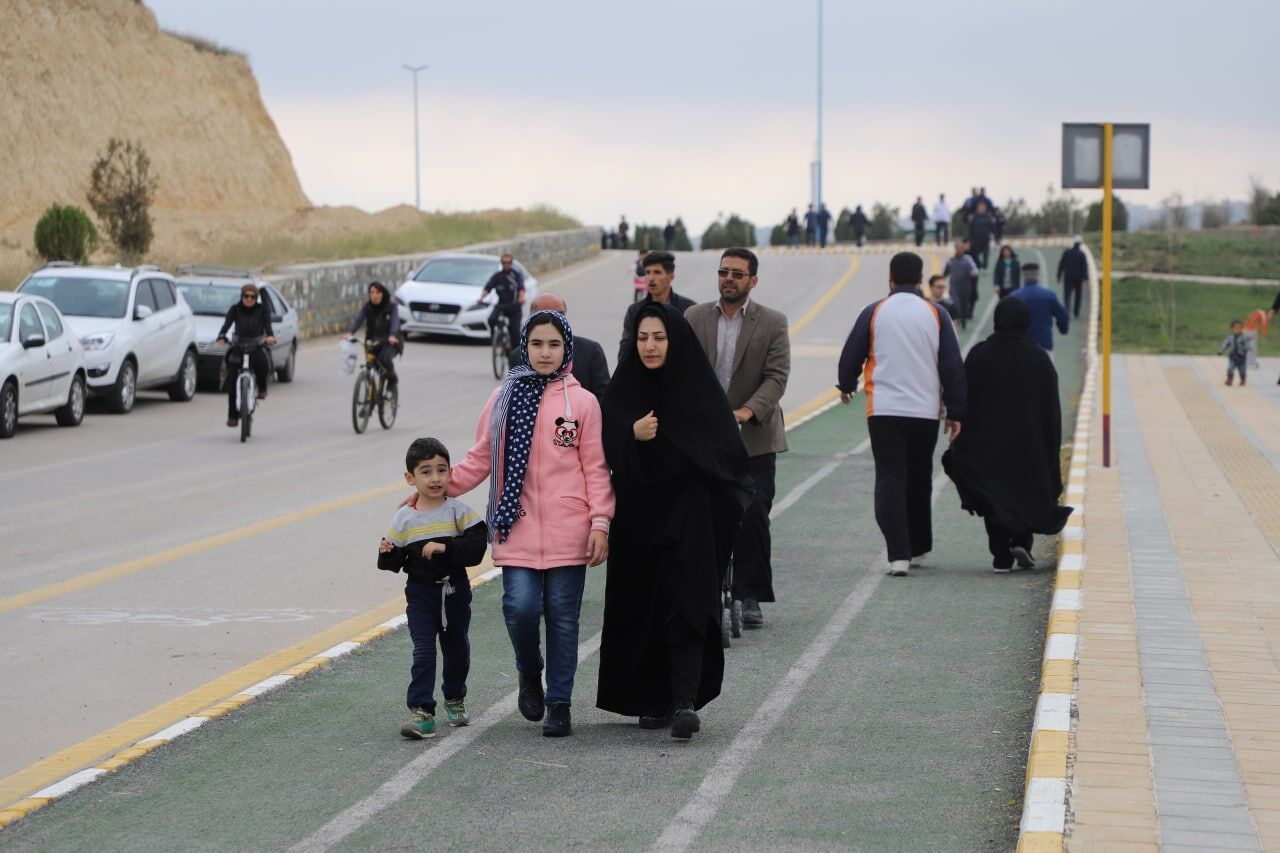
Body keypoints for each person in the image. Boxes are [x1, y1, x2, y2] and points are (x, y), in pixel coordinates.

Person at [447, 310, 614, 737]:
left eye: (554, 344)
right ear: (525, 346)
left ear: (567, 349)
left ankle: (559, 703)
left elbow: (596, 468)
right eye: (537, 343)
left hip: (569, 529)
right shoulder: (502, 397)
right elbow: (481, 457)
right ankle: (529, 670)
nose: (545, 352)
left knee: (562, 618)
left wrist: (600, 522)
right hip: (515, 523)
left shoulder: (584, 403)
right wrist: (439, 488)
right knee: (520, 608)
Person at [597, 302, 751, 740]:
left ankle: (684, 699)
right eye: (643, 337)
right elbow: (603, 445)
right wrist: (631, 434)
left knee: (687, 602)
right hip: (638, 520)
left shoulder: (697, 390)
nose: (649, 346)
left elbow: (725, 457)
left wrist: (670, 445)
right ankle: (653, 697)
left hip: (691, 518)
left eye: (659, 337)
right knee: (644, 606)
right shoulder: (625, 390)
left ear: (674, 341)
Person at [837, 252, 965, 577]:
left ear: (890, 279)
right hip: (925, 412)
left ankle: (898, 555)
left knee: (891, 478)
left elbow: (851, 353)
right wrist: (956, 411)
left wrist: (846, 383)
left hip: (883, 410)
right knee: (920, 477)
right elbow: (952, 365)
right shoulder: (936, 313)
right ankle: (919, 546)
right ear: (921, 280)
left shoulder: (874, 311)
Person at [686, 248, 791, 629]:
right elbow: (683, 372)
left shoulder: (773, 322)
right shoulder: (694, 318)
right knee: (702, 516)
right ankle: (705, 589)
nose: (729, 278)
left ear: (752, 281)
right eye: (723, 272)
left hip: (755, 439)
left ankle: (750, 595)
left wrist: (746, 412)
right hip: (704, 439)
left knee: (753, 513)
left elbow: (777, 377)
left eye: (737, 273)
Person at [942, 298, 1072, 572]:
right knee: (1025, 491)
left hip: (987, 444)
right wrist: (1049, 444)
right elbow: (1051, 409)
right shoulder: (1038, 359)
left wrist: (961, 434)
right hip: (1028, 445)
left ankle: (1001, 553)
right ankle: (1022, 541)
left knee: (993, 495)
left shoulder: (979, 355)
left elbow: (965, 399)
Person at [379, 437, 488, 738]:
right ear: (410, 478)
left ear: (451, 473)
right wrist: (388, 552)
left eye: (441, 470)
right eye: (426, 472)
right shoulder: (404, 517)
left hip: (454, 592)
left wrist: (445, 548)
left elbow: (477, 546)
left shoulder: (458, 511)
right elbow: (392, 561)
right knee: (423, 651)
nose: (435, 478)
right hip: (420, 594)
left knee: (456, 649)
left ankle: (455, 696)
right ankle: (422, 712)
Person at [618, 250, 696, 362]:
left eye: (657, 272)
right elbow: (624, 354)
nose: (651, 278)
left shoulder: (689, 309)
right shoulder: (634, 311)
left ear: (671, 277)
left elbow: (694, 353)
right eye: (647, 272)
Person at [531, 292, 610, 402]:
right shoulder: (518, 356)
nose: (554, 321)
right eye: (546, 316)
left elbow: (605, 400)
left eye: (560, 314)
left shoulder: (591, 351)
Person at [216, 282, 275, 428]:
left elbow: (268, 327)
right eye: (246, 296)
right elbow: (226, 325)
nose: (249, 299)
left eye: (253, 297)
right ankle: (232, 416)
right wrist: (222, 336)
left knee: (263, 363)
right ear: (242, 296)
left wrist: (270, 337)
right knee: (232, 380)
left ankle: (262, 388)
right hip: (239, 346)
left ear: (256, 298)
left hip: (256, 345)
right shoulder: (235, 310)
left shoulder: (262, 310)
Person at [343, 280, 401, 384]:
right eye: (372, 292)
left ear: (382, 294)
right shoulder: (367, 307)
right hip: (372, 341)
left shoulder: (391, 306)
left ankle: (392, 380)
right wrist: (350, 333)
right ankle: (370, 392)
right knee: (370, 365)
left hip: (389, 342)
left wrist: (392, 335)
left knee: (384, 358)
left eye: (377, 292)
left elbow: (395, 322)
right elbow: (359, 319)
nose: (374, 295)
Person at [1009, 263, 1069, 355]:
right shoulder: (1049, 295)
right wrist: (1063, 329)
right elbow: (1062, 316)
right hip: (1043, 344)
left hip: (1020, 346)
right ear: (1037, 276)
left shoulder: (1014, 296)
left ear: (1023, 277)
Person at [482, 254, 526, 369]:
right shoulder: (498, 276)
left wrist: (521, 297)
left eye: (508, 263)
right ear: (501, 264)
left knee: (515, 333)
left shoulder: (516, 275)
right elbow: (488, 288)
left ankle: (516, 358)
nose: (506, 265)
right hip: (501, 305)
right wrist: (481, 298)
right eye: (504, 263)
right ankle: (497, 339)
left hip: (514, 307)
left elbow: (521, 288)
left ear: (511, 263)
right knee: (491, 319)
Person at [943, 240, 980, 329]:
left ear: (963, 249)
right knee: (956, 304)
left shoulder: (968, 259)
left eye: (961, 248)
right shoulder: (950, 260)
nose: (959, 250)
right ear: (955, 249)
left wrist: (973, 273)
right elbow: (945, 272)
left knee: (964, 304)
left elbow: (975, 270)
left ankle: (963, 320)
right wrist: (941, 279)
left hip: (965, 286)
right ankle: (957, 320)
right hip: (954, 286)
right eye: (957, 248)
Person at [1056, 240, 1089, 319]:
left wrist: (1059, 276)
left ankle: (1067, 310)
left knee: (1067, 295)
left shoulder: (1067, 253)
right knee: (1078, 296)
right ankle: (1076, 312)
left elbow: (1061, 264)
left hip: (1068, 277)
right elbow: (1084, 267)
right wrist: (1086, 279)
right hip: (1078, 278)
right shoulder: (1082, 254)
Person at [1220, 320, 1250, 386]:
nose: (1237, 329)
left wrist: (1247, 349)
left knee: (1242, 370)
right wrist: (1221, 351)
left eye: (1239, 328)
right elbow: (1225, 344)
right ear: (1232, 329)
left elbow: (1247, 345)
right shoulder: (1230, 337)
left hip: (1241, 357)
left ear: (1242, 329)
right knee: (1230, 368)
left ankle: (1243, 379)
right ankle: (1229, 379)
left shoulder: (1244, 337)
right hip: (1233, 356)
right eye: (1235, 328)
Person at [968, 202, 994, 270]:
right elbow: (971, 228)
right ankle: (977, 267)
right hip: (976, 240)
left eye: (983, 207)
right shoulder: (974, 217)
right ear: (978, 208)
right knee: (975, 254)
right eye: (980, 207)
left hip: (985, 239)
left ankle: (985, 268)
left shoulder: (988, 217)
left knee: (986, 254)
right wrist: (970, 239)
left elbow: (992, 227)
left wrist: (996, 236)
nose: (982, 208)